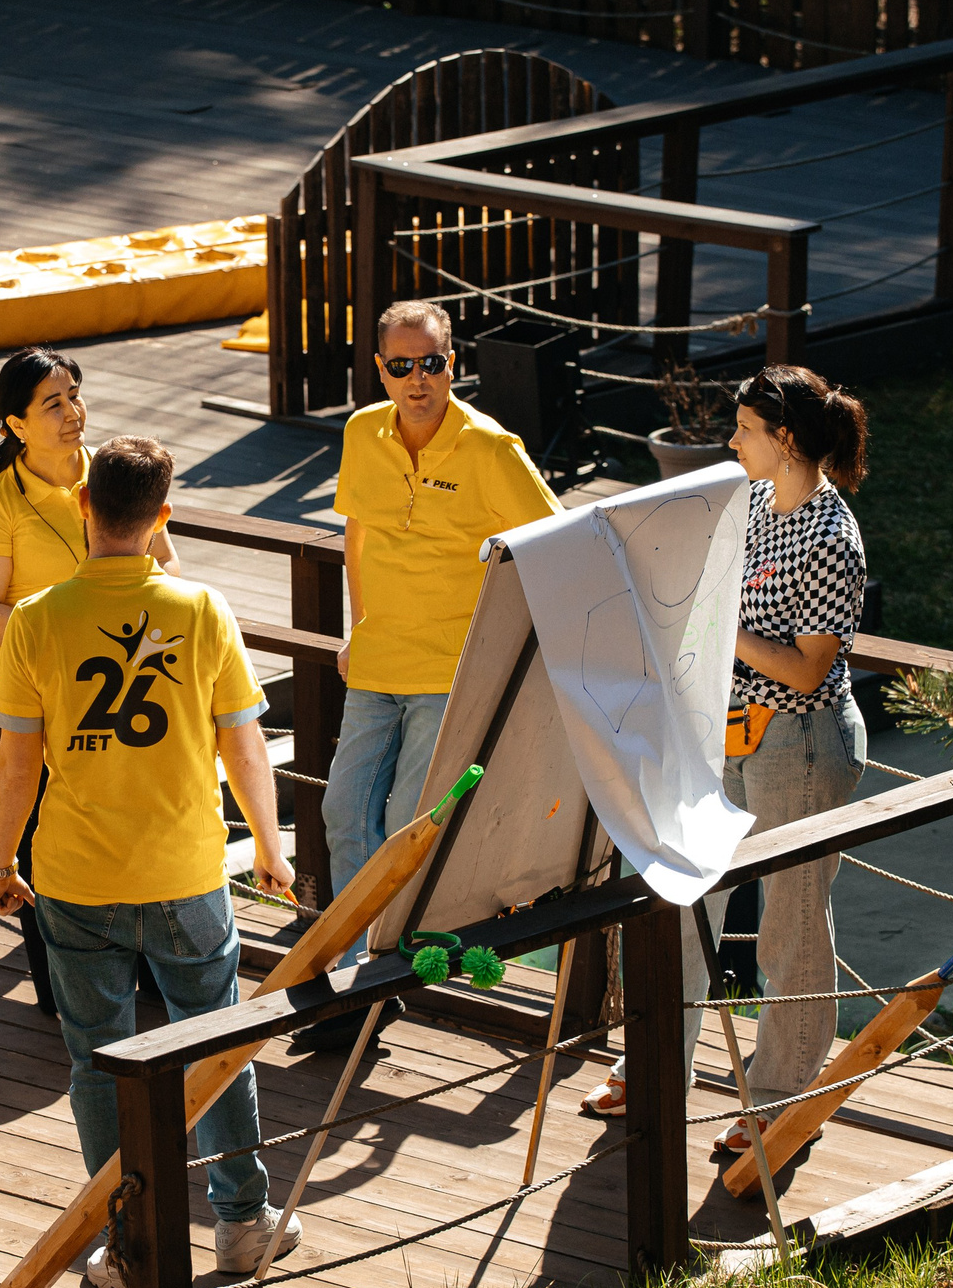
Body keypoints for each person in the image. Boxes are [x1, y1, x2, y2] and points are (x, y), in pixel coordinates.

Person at [0, 435, 302, 1288]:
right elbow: (245, 745)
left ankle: (129, 1243)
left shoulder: (37, 618)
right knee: (219, 1040)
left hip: (77, 875)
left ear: (82, 505)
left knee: (97, 1060)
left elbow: (18, 762)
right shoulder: (201, 609)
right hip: (184, 866)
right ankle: (241, 1220)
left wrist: (2, 857)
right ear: (164, 517)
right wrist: (271, 847)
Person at [582, 364, 870, 1151]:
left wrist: (716, 626)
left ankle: (781, 1097)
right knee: (681, 898)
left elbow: (811, 667)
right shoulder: (745, 503)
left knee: (791, 923)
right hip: (723, 727)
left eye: (743, 428)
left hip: (801, 741)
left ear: (783, 440)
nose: (729, 439)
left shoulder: (831, 535)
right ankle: (657, 1064)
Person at [307, 299, 559, 1050]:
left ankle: (371, 985)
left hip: (450, 674)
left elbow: (551, 546)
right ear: (378, 369)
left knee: (404, 829)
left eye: (433, 363)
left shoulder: (492, 449)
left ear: (455, 364)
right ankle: (362, 967)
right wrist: (356, 627)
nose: (418, 380)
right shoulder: (361, 432)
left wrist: (505, 654)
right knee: (343, 813)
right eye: (401, 365)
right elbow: (356, 534)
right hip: (377, 659)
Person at [0, 348, 179, 1019]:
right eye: (52, 403)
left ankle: (136, 978)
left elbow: (165, 563)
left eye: (75, 396)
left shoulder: (111, 475)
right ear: (14, 424)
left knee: (121, 830)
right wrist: (64, 641)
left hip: (119, 694)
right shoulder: (0, 502)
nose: (72, 412)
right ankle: (60, 988)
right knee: (37, 844)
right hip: (30, 696)